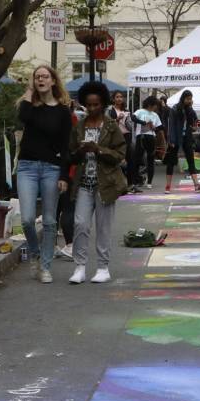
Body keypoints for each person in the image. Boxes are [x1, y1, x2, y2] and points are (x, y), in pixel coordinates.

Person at [14, 64, 73, 282]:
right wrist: (29, 91)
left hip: (51, 168)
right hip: (27, 167)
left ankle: (45, 267)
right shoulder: (29, 106)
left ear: (53, 81)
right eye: (37, 77)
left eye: (45, 76)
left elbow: (66, 146)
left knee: (49, 221)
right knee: (28, 219)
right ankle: (35, 254)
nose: (41, 80)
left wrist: (64, 176)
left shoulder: (63, 112)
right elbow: (24, 118)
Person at [66, 80, 128, 286]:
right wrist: (80, 151)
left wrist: (99, 149)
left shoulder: (111, 126)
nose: (92, 108)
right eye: (88, 105)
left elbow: (120, 154)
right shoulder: (79, 127)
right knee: (80, 224)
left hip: (106, 184)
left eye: (96, 104)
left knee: (103, 227)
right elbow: (71, 155)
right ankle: (80, 267)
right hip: (84, 183)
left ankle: (103, 267)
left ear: (103, 104)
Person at [165, 90, 200, 193]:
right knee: (171, 161)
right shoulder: (175, 109)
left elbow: (194, 119)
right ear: (183, 98)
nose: (189, 101)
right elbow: (171, 125)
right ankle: (167, 186)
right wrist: (171, 140)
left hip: (186, 137)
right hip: (176, 136)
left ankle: (197, 185)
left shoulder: (189, 109)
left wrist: (191, 107)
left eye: (190, 99)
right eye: (188, 99)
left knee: (190, 160)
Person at [129, 96, 162, 191]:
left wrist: (153, 127)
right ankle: (135, 181)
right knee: (137, 159)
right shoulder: (140, 111)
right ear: (150, 104)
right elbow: (133, 118)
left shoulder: (155, 115)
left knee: (151, 159)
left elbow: (159, 127)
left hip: (151, 136)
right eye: (155, 104)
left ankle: (149, 182)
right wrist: (143, 122)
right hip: (141, 136)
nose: (156, 107)